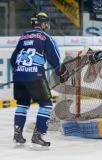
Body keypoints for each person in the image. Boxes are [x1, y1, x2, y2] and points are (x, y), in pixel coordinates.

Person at [10, 12, 64, 147]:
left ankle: (18, 133)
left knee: (22, 104)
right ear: (42, 23)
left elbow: (13, 59)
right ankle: (38, 134)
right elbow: (54, 58)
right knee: (46, 104)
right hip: (35, 76)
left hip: (19, 76)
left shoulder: (23, 36)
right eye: (46, 22)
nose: (47, 25)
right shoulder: (45, 37)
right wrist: (61, 72)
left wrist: (20, 71)